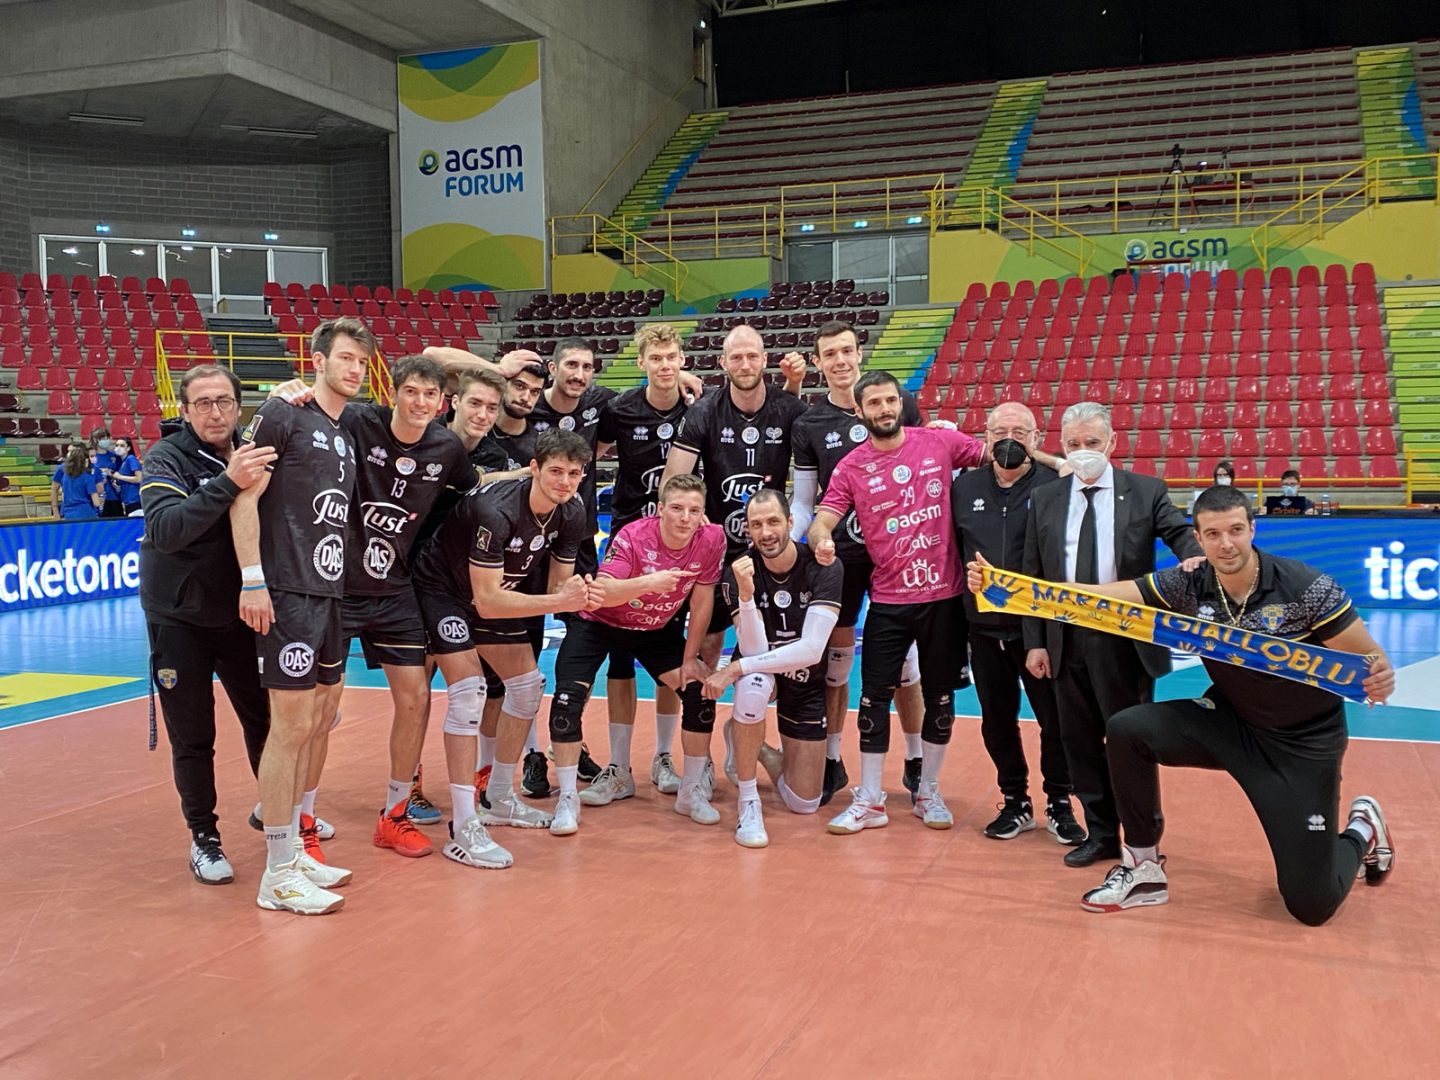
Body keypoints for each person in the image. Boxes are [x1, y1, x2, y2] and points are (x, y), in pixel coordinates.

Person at [971, 485, 1397, 921]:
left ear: (1253, 529)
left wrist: (1379, 678)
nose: (1225, 544)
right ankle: (1143, 868)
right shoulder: (1188, 584)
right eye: (1213, 534)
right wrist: (1003, 586)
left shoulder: (1306, 587)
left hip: (1302, 744)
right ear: (1198, 538)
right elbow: (1094, 596)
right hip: (1231, 723)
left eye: (1235, 530)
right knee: (1128, 728)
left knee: (1311, 903)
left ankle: (1362, 828)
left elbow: (1369, 661)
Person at [266, 354, 481, 859]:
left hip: (395, 588)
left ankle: (395, 814)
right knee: (321, 709)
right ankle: (302, 821)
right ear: (393, 393)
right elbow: (309, 408)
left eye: (430, 395)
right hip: (337, 585)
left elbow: (472, 489)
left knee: (416, 697)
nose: (420, 402)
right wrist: (281, 394)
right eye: (411, 392)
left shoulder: (447, 448)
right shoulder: (359, 420)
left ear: (442, 402)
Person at [1022, 401, 1203, 868]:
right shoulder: (1045, 498)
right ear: (1062, 446)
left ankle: (1142, 840)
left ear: (1112, 443)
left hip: (1124, 638)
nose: (1082, 451)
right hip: (1065, 638)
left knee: (1130, 741)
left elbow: (1178, 531)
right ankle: (1100, 834)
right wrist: (1035, 641)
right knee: (1079, 743)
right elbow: (1032, 572)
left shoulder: (1145, 491)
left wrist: (1192, 555)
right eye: (1073, 444)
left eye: (1092, 442)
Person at [808, 370, 987, 835]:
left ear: (901, 402)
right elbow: (823, 518)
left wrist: (1060, 463)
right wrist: (821, 538)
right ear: (860, 411)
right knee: (872, 700)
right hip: (888, 600)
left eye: (890, 400)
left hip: (944, 598)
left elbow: (999, 456)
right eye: (874, 403)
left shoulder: (938, 442)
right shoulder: (851, 466)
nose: (884, 409)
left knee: (940, 698)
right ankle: (870, 800)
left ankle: (928, 791)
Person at [230, 317, 368, 915]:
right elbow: (243, 497)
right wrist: (252, 581)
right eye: (345, 357)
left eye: (361, 360)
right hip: (287, 591)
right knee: (287, 728)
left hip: (329, 592)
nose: (354, 368)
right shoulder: (283, 413)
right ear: (317, 360)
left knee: (318, 720)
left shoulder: (342, 430)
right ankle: (277, 872)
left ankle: (295, 849)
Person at [409, 429, 594, 867]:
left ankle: (498, 797)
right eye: (556, 471)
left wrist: (585, 592)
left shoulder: (572, 511)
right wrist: (562, 601)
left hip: (494, 593)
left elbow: (558, 586)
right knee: (469, 692)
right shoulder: (496, 509)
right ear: (534, 468)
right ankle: (463, 824)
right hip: (442, 591)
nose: (565, 482)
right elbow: (491, 602)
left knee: (528, 687)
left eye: (574, 474)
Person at [139, 365, 275, 884]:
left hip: (242, 615)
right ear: (184, 409)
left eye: (224, 402)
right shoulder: (165, 457)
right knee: (194, 737)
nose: (215, 413)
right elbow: (166, 529)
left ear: (238, 406)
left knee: (267, 722)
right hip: (179, 621)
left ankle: (278, 811)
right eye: (203, 403)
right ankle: (204, 838)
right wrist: (228, 482)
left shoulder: (254, 450)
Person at [788, 321, 928, 806]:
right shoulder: (809, 423)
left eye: (847, 350)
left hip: (896, 554)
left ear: (859, 353)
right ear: (818, 362)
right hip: (840, 557)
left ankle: (916, 759)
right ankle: (832, 757)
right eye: (830, 354)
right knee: (836, 664)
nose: (840, 360)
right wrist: (796, 540)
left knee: (906, 662)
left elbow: (922, 466)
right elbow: (804, 499)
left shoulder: (898, 403)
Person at [545, 473, 724, 835]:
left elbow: (703, 601)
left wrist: (690, 658)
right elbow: (603, 593)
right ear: (660, 509)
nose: (685, 518)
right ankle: (567, 799)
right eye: (676, 508)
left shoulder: (712, 539)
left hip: (653, 630)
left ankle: (690, 792)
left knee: (699, 692)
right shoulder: (633, 536)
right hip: (599, 623)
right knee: (566, 703)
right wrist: (649, 582)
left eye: (694, 510)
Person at [950, 402, 1083, 843]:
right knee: (997, 720)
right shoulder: (965, 487)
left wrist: (1049, 460)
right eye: (999, 432)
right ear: (985, 438)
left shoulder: (1055, 485)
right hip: (984, 629)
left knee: (1055, 721)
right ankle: (1015, 801)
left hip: (1041, 631)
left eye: (1020, 432)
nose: (1009, 439)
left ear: (1036, 438)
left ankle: (1060, 802)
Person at [659, 324, 807, 689]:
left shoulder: (789, 408)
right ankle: (701, 717)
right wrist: (693, 519)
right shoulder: (705, 411)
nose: (745, 364)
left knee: (776, 645)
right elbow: (672, 482)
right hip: (718, 546)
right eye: (736, 357)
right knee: (708, 644)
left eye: (752, 356)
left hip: (770, 545)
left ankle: (754, 718)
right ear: (723, 362)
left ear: (765, 360)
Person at [706, 489, 843, 848]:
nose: (766, 532)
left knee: (804, 802)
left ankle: (758, 749)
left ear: (791, 522)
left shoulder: (824, 566)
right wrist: (746, 595)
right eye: (756, 525)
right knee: (752, 685)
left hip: (805, 677)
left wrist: (734, 667)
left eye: (773, 522)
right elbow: (754, 648)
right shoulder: (737, 572)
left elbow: (812, 650)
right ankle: (748, 801)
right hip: (763, 669)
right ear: (747, 530)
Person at [591, 323, 693, 798]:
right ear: (642, 363)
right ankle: (618, 765)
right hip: (628, 540)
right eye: (656, 358)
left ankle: (664, 757)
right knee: (620, 653)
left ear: (682, 359)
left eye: (672, 357)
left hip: (680, 540)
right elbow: (590, 456)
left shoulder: (698, 407)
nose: (665, 365)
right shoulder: (620, 409)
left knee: (670, 647)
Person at [50, 443, 102, 519]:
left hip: (69, 512)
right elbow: (96, 501)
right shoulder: (87, 475)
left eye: (71, 451)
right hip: (85, 512)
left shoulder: (66, 476)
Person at [90, 427, 124, 518]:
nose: (106, 440)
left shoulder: (114, 456)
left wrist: (111, 474)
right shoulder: (91, 456)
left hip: (113, 496)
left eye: (107, 438)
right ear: (95, 439)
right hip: (97, 496)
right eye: (103, 439)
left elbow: (120, 474)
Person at [109, 437, 144, 515]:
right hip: (127, 500)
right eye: (117, 445)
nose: (118, 448)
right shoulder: (121, 462)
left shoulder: (131, 459)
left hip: (134, 500)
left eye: (122, 445)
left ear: (128, 448)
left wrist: (120, 477)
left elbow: (139, 478)